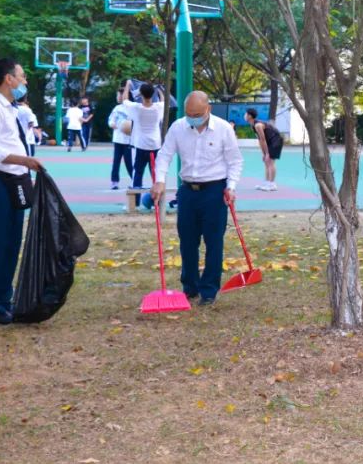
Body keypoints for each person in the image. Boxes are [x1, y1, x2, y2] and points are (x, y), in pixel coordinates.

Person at [151, 91, 243, 306]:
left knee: (214, 241)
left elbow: (235, 161)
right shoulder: (178, 127)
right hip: (187, 192)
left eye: (197, 114)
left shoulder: (223, 129)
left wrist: (231, 186)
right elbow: (164, 155)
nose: (192, 118)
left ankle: (209, 290)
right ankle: (189, 286)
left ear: (208, 109)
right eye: (189, 114)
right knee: (187, 241)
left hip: (215, 191)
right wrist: (160, 180)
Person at [0, 58, 44, 324]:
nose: (24, 81)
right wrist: (25, 161)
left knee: (12, 244)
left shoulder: (11, 109)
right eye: (22, 76)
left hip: (15, 182)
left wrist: (25, 172)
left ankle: (5, 299)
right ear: (8, 79)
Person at [121, 80, 166, 189]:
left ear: (141, 94)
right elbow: (163, 100)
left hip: (141, 145)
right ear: (152, 94)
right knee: (155, 172)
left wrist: (127, 85)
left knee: (138, 171)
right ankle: (157, 196)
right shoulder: (158, 107)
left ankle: (136, 196)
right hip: (155, 145)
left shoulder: (136, 108)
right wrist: (159, 90)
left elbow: (124, 100)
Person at [244, 108, 283, 191]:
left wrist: (267, 153)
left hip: (276, 140)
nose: (244, 115)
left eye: (246, 114)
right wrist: (264, 154)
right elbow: (260, 140)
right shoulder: (252, 125)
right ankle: (267, 183)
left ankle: (272, 184)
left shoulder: (258, 125)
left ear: (249, 116)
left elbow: (263, 139)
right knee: (266, 161)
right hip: (270, 141)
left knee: (271, 162)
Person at [107, 90, 133, 189]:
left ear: (124, 96)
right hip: (118, 139)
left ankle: (134, 180)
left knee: (129, 162)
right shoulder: (117, 108)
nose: (117, 97)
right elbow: (111, 120)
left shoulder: (133, 108)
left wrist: (130, 128)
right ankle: (114, 181)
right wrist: (111, 124)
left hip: (128, 140)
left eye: (118, 95)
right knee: (116, 161)